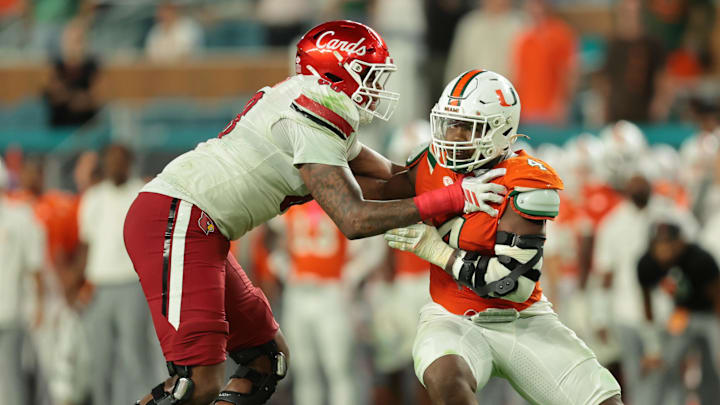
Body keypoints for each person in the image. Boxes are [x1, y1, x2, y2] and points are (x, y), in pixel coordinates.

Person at [123, 20, 503, 405]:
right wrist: (453, 199)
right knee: (196, 383)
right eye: (370, 75)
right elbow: (353, 219)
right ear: (337, 69)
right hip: (178, 219)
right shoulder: (312, 113)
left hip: (200, 226)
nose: (377, 88)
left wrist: (466, 165)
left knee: (266, 361)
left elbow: (394, 180)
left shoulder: (318, 105)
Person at [375, 69, 623, 404]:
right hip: (452, 317)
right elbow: (374, 189)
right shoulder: (429, 163)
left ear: (501, 130)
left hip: (523, 319)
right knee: (447, 381)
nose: (454, 136)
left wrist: (437, 251)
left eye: (467, 127)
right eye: (451, 123)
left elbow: (509, 283)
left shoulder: (525, 183)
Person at [77, 144, 161, 405]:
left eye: (119, 160)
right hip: (99, 285)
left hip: (131, 284)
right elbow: (86, 244)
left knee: (134, 355)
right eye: (110, 160)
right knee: (99, 358)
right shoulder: (93, 197)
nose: (114, 165)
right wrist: (78, 282)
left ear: (129, 162)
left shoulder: (141, 193)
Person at [637, 220, 720, 405]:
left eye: (668, 243)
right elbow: (647, 303)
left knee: (715, 364)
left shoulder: (700, 258)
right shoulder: (647, 263)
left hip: (711, 314)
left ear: (680, 242)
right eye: (659, 244)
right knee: (664, 361)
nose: (664, 250)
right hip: (682, 313)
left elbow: (717, 295)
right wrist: (653, 345)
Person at [0, 157, 46, 405]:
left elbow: (35, 265)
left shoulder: (19, 217)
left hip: (10, 310)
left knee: (11, 377)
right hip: (12, 309)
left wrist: (38, 304)